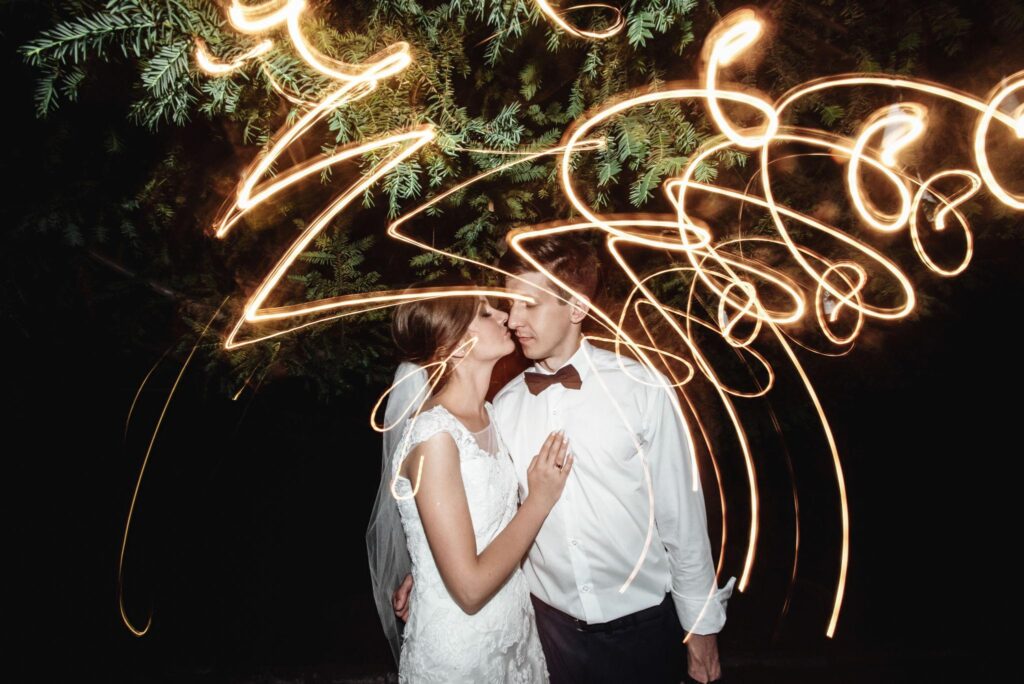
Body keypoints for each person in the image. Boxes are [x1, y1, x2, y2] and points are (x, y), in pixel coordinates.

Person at [393, 235, 735, 683]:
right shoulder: (503, 407)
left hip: (645, 628)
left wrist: (702, 626)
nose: (513, 318)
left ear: (576, 308)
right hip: (547, 634)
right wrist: (434, 569)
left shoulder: (641, 389)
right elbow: (487, 504)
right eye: (508, 305)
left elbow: (682, 519)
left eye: (528, 305)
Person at [371, 291, 575, 683]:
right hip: (462, 653)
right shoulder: (434, 436)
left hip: (515, 631)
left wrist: (428, 567)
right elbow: (468, 589)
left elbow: (483, 527)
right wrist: (540, 500)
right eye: (485, 313)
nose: (505, 316)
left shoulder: (491, 415)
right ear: (451, 343)